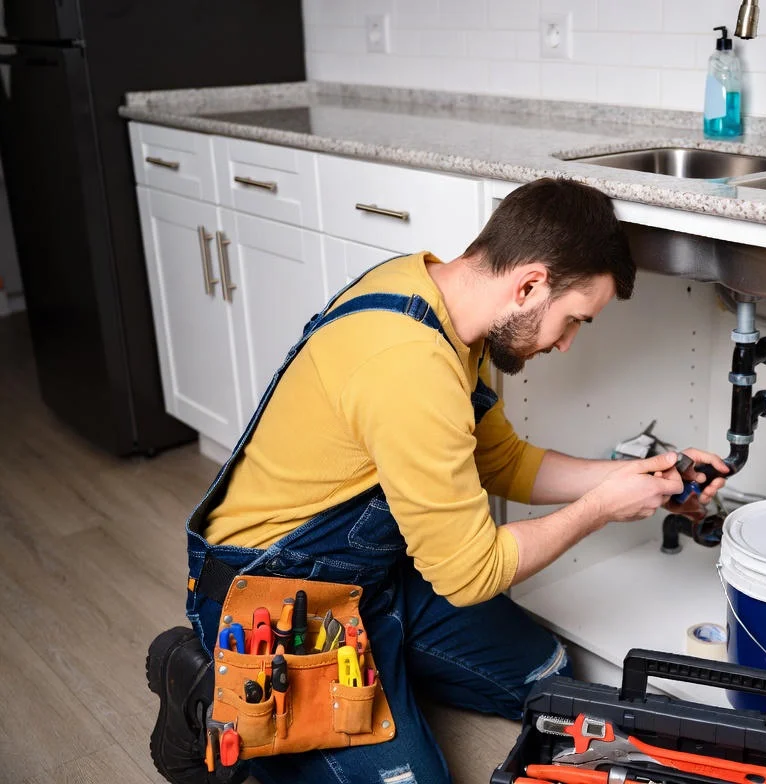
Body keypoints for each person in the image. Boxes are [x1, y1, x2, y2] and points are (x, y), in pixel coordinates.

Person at [146, 177, 728, 784]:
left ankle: (388, 671)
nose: (566, 343)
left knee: (549, 674)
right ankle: (208, 694)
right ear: (529, 284)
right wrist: (600, 509)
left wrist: (634, 476)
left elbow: (502, 462)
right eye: (573, 319)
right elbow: (469, 573)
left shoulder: (435, 297)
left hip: (376, 577)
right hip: (277, 593)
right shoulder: (411, 365)